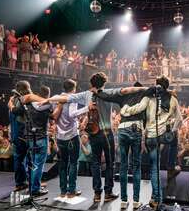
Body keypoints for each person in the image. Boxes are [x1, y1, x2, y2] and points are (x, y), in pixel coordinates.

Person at [41, 72, 141, 203]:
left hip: (93, 133)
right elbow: (128, 90)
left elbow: (65, 99)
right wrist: (144, 89)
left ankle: (97, 194)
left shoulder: (86, 95)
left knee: (95, 164)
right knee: (110, 164)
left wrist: (48, 100)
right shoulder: (109, 93)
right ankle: (108, 192)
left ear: (91, 83)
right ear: (104, 83)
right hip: (106, 133)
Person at [121, 76, 183, 208]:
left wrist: (125, 109)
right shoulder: (173, 99)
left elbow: (138, 108)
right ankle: (171, 166)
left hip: (151, 137)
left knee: (154, 168)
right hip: (164, 136)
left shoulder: (149, 96)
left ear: (156, 85)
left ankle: (155, 199)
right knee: (175, 137)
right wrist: (172, 130)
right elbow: (179, 120)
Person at [94, 81, 148, 210]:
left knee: (123, 166)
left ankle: (124, 201)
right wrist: (143, 138)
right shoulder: (144, 95)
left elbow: (107, 96)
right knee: (136, 167)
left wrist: (97, 91)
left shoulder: (123, 95)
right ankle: (136, 201)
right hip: (136, 129)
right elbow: (145, 117)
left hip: (122, 129)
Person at [52, 79, 89, 198]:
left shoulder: (57, 98)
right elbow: (72, 114)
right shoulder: (72, 98)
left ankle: (63, 191)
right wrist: (87, 108)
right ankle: (71, 190)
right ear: (74, 88)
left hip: (60, 137)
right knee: (73, 163)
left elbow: (54, 114)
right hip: (72, 136)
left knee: (63, 164)